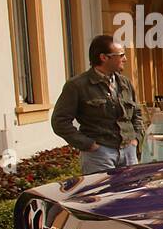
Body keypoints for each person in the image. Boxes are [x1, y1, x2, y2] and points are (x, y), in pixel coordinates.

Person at [51, 35, 147, 174]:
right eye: (121, 55)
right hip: (99, 155)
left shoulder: (125, 83)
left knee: (130, 188)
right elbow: (59, 122)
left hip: (128, 152)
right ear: (104, 57)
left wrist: (136, 139)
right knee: (102, 189)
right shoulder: (77, 85)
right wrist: (88, 145)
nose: (125, 59)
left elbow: (136, 114)